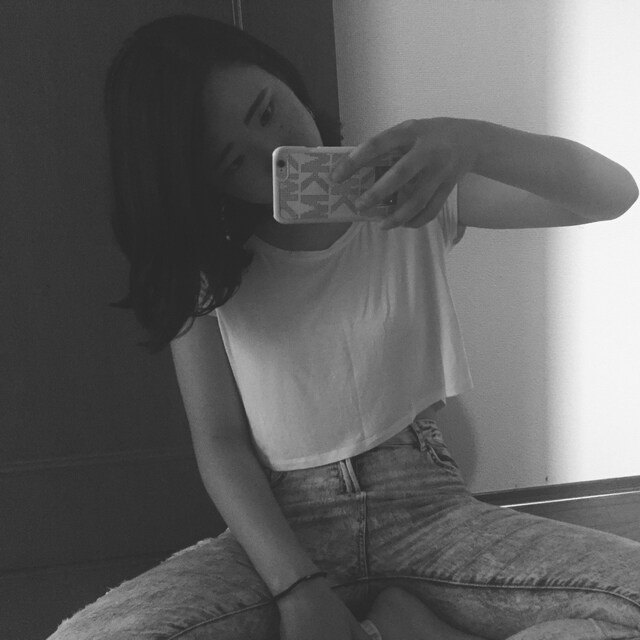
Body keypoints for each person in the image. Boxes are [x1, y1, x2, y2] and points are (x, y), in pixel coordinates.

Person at [49, 13, 640, 640]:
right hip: (279, 532)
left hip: (427, 513)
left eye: (267, 110)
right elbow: (219, 442)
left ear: (284, 78)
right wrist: (297, 588)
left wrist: (469, 139)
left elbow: (612, 194)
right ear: (204, 180)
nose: (274, 151)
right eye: (232, 161)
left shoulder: (413, 189)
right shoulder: (205, 266)